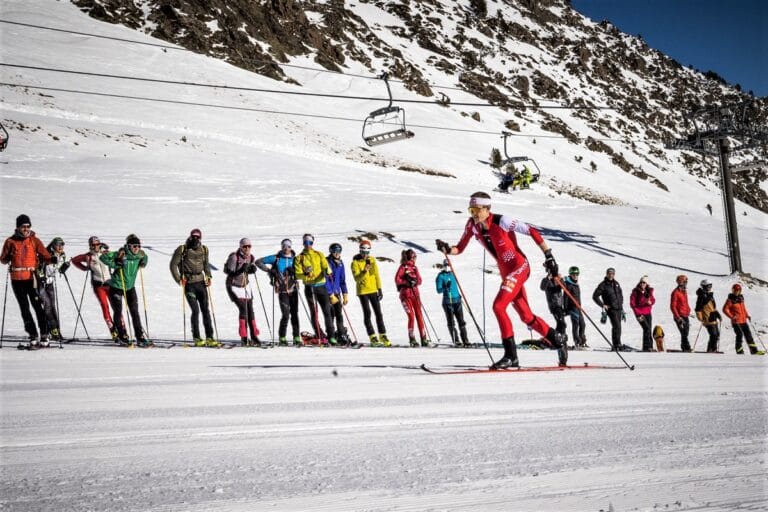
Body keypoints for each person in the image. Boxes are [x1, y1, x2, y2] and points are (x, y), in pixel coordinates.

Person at [436, 192, 567, 368]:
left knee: (498, 306)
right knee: (526, 316)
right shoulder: (472, 226)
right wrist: (446, 248)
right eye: (471, 210)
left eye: (476, 209)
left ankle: (511, 355)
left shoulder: (502, 221)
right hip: (506, 273)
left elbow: (532, 231)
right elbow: (459, 248)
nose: (473, 214)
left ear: (487, 209)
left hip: (519, 267)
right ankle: (557, 339)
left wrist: (549, 256)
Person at [0, 214, 52, 348]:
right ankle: (33, 334)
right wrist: (8, 258)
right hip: (17, 279)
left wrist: (51, 259)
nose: (26, 229)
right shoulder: (10, 241)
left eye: (28, 226)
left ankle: (45, 334)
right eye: (23, 226)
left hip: (31, 278)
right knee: (24, 308)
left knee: (37, 306)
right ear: (18, 227)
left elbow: (45, 255)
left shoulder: (34, 241)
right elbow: (3, 259)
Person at [100, 234, 150, 346]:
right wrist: (115, 264)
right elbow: (103, 257)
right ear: (129, 246)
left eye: (138, 245)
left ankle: (140, 336)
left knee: (135, 312)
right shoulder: (121, 254)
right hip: (116, 287)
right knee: (118, 311)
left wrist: (144, 263)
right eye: (134, 246)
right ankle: (122, 336)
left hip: (130, 288)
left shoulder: (140, 254)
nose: (136, 248)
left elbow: (145, 258)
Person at [170, 229, 216, 347]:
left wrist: (209, 276)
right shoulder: (183, 249)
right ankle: (196, 337)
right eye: (193, 237)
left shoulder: (204, 249)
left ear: (200, 238)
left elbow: (206, 264)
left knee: (205, 310)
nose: (195, 239)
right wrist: (179, 279)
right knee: (195, 310)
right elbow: (173, 265)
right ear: (190, 237)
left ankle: (209, 337)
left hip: (201, 283)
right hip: (189, 284)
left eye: (198, 237)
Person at [256, 238, 300, 346]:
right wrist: (270, 271)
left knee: (294, 313)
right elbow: (258, 262)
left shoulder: (295, 259)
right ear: (281, 247)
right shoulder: (276, 258)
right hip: (282, 290)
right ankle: (282, 337)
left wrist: (295, 271)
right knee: (285, 314)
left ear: (291, 247)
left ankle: (296, 337)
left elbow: (302, 270)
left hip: (293, 289)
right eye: (284, 246)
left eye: (288, 246)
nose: (286, 249)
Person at [72, 236, 117, 339]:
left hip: (110, 284)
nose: (96, 246)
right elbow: (74, 260)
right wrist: (84, 268)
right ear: (90, 245)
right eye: (93, 245)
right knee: (105, 306)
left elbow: (116, 259)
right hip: (98, 285)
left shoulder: (106, 253)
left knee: (116, 307)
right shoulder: (88, 256)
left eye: (97, 244)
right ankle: (113, 330)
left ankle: (122, 329)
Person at [294, 234, 336, 345]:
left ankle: (331, 336)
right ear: (303, 243)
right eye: (306, 242)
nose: (308, 245)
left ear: (313, 243)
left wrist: (327, 271)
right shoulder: (300, 257)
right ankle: (320, 335)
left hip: (321, 286)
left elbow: (327, 267)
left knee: (327, 311)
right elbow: (297, 275)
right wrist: (305, 274)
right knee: (314, 313)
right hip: (310, 287)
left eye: (310, 242)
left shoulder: (319, 254)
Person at [351, 240, 390, 347]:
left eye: (367, 253)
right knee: (367, 313)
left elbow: (376, 274)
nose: (365, 255)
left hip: (373, 290)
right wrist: (364, 271)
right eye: (363, 253)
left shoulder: (372, 260)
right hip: (363, 291)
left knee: (378, 313)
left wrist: (379, 288)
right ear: (360, 251)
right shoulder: (355, 262)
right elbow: (356, 278)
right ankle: (372, 336)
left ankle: (382, 334)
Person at [224, 238, 261, 346]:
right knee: (243, 310)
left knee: (250, 311)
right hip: (233, 286)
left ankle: (254, 336)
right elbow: (230, 273)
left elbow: (249, 269)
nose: (247, 248)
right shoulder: (234, 257)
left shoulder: (251, 257)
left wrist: (252, 270)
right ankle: (244, 337)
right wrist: (241, 269)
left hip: (245, 286)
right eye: (244, 246)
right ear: (240, 247)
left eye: (249, 246)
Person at [395, 249, 428, 347]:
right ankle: (412, 338)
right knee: (411, 316)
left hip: (415, 295)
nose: (415, 259)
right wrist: (406, 282)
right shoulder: (403, 267)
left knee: (419, 316)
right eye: (414, 257)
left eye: (415, 257)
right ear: (410, 257)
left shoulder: (414, 267)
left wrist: (414, 281)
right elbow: (397, 279)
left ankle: (423, 338)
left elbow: (420, 280)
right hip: (405, 295)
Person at [38, 237, 68, 342]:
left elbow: (58, 269)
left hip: (50, 283)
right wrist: (40, 275)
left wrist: (64, 268)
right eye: (58, 244)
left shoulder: (62, 255)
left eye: (62, 244)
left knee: (53, 306)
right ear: (53, 245)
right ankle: (53, 331)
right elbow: (38, 265)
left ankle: (56, 331)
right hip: (40, 283)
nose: (60, 247)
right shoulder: (46, 253)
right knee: (47, 306)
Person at [435, 259, 469, 347]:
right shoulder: (440, 276)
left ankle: (465, 340)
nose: (447, 267)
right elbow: (438, 290)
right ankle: (456, 340)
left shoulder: (453, 273)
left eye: (449, 265)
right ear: (443, 266)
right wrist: (445, 287)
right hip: (448, 301)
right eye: (446, 265)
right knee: (451, 322)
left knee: (461, 321)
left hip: (457, 300)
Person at [592, 268, 627, 351]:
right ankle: (616, 344)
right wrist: (602, 305)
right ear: (607, 274)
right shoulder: (603, 285)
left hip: (618, 308)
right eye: (609, 274)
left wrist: (621, 306)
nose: (611, 275)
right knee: (616, 326)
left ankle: (618, 343)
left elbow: (620, 295)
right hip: (611, 309)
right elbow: (595, 296)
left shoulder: (616, 284)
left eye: (612, 274)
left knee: (618, 327)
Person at [723, 284, 762, 355]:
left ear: (740, 291)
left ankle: (754, 351)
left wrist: (747, 315)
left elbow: (743, 309)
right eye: (735, 290)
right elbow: (725, 309)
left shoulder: (741, 298)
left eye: (738, 290)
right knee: (739, 335)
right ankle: (739, 352)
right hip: (736, 322)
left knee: (748, 335)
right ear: (732, 290)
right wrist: (732, 317)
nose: (736, 292)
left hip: (743, 320)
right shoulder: (730, 300)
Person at [326, 242, 351, 345]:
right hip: (329, 294)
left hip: (337, 293)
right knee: (330, 315)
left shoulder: (340, 263)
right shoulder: (327, 262)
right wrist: (330, 293)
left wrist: (345, 293)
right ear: (331, 252)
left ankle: (341, 334)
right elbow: (325, 279)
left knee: (339, 315)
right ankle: (330, 336)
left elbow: (342, 280)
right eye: (335, 251)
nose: (337, 253)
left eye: (339, 251)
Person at [629, 275, 656, 351]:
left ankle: (649, 346)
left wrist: (650, 302)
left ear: (647, 283)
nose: (642, 284)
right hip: (640, 314)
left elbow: (653, 300)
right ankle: (646, 347)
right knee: (646, 328)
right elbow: (632, 303)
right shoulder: (635, 291)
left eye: (644, 283)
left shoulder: (649, 291)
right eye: (641, 282)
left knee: (649, 329)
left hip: (648, 313)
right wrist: (638, 314)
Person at [563, 266, 587, 349]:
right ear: (570, 274)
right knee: (576, 325)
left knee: (583, 324)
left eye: (577, 274)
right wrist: (566, 309)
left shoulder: (576, 284)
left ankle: (582, 341)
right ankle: (577, 341)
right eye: (573, 274)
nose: (575, 276)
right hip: (572, 307)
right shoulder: (568, 284)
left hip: (578, 307)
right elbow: (565, 297)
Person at [695, 279, 720, 353]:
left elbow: (712, 307)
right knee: (713, 334)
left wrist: (717, 314)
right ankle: (713, 349)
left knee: (716, 334)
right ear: (704, 286)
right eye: (708, 286)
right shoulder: (701, 296)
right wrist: (700, 318)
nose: (710, 288)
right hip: (707, 318)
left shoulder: (710, 295)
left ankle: (711, 349)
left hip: (713, 317)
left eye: (710, 286)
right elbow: (698, 308)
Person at [540, 274, 567, 341]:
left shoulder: (557, 279)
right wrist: (547, 278)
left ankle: (557, 339)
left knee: (561, 324)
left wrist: (561, 280)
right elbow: (542, 288)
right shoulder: (547, 280)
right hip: (554, 306)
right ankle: (557, 339)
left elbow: (564, 287)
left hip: (560, 305)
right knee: (562, 323)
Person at [669, 274, 692, 352]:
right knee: (684, 332)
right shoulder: (675, 293)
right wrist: (678, 317)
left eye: (686, 282)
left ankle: (684, 346)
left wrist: (688, 310)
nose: (686, 283)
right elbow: (673, 306)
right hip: (679, 316)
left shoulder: (684, 291)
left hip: (685, 314)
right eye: (685, 282)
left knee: (686, 332)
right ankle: (686, 347)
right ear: (681, 282)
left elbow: (684, 303)